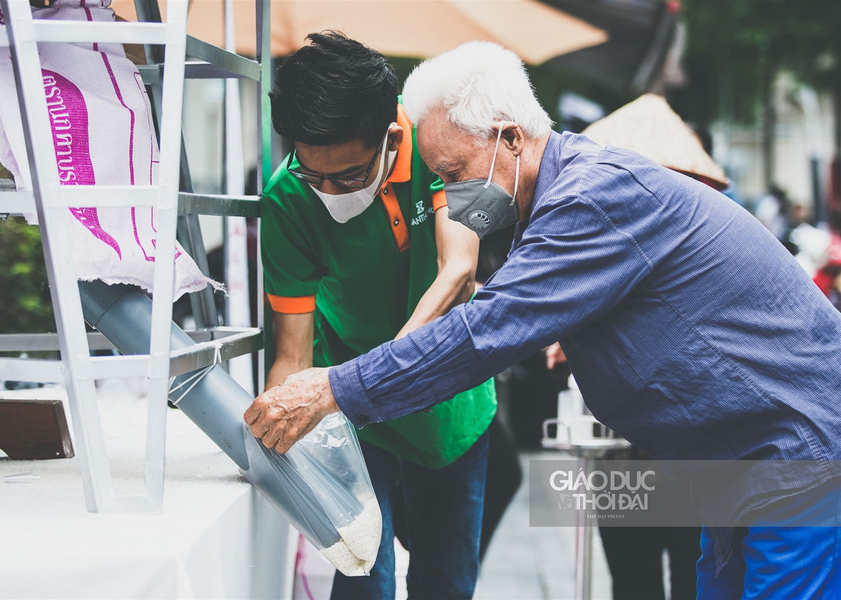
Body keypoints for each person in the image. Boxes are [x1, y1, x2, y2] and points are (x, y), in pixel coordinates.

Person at [246, 41, 841, 599]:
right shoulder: (563, 202)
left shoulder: (589, 200)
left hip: (790, 460)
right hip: (735, 474)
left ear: (508, 139)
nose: (449, 198)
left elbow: (482, 333)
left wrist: (333, 387)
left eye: (453, 175)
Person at [261, 32, 498, 599]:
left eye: (344, 177)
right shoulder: (287, 198)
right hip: (352, 418)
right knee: (366, 580)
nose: (326, 192)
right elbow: (292, 356)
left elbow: (459, 271)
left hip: (452, 409)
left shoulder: (439, 146)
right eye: (310, 173)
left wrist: (382, 372)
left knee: (446, 582)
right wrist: (277, 430)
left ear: (391, 135)